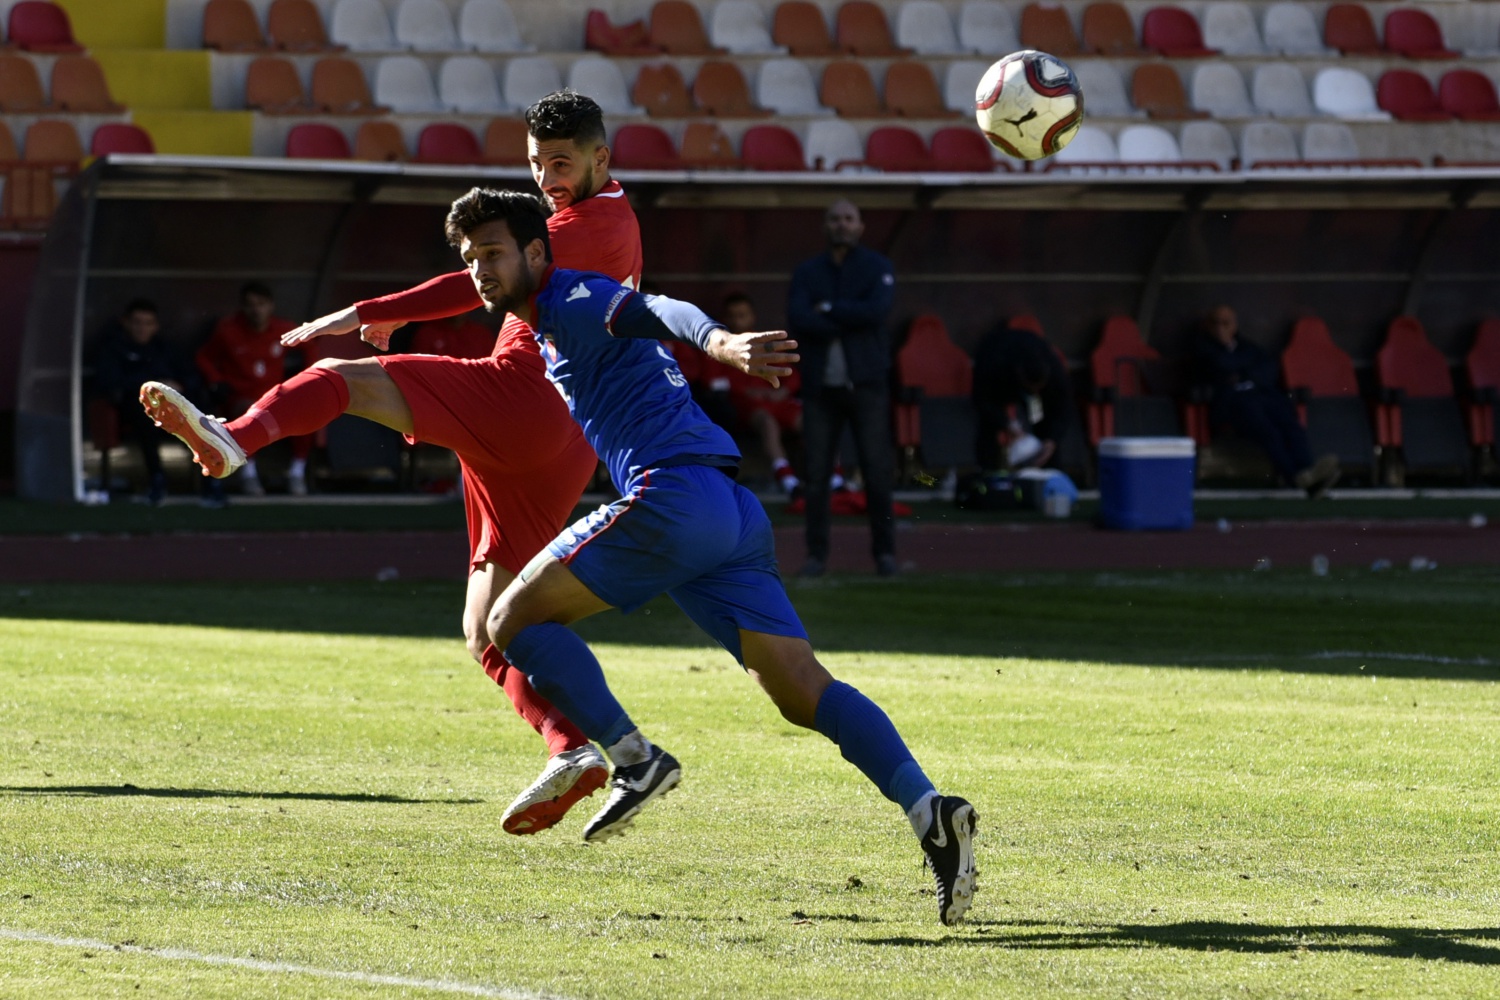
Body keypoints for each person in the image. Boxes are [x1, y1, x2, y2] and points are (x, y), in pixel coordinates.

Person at [448, 188, 977, 926]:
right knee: (800, 688)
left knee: (508, 622)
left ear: (538, 252)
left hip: (672, 500)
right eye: (469, 256)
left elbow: (658, 309)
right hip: (729, 510)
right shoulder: (541, 315)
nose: (479, 269)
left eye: (492, 252)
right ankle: (930, 809)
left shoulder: (572, 296)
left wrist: (723, 344)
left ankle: (632, 758)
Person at [140, 90, 638, 837]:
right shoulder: (600, 219)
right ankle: (571, 750)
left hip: (523, 400)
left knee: (345, 376)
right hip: (565, 439)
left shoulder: (585, 224)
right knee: (490, 625)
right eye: (536, 164)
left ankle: (234, 438)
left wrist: (374, 309)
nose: (547, 178)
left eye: (562, 162)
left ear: (603, 157)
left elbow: (476, 279)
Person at [786, 199, 898, 578]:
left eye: (849, 219)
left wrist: (828, 310)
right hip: (820, 387)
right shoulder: (808, 271)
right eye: (835, 219)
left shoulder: (877, 266)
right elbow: (799, 318)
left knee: (876, 472)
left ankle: (885, 555)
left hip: (867, 384)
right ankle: (816, 556)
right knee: (816, 476)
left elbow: (877, 312)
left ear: (861, 226)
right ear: (825, 226)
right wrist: (849, 315)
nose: (842, 225)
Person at [1193, 305, 1339, 497]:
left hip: (1261, 395)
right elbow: (1220, 365)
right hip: (1232, 403)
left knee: (1290, 424)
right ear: (1209, 327)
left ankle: (1307, 470)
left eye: (1226, 323)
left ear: (1235, 326)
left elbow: (1269, 369)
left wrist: (1240, 372)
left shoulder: (1247, 347)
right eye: (1216, 323)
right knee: (1268, 431)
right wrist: (1246, 370)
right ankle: (1296, 476)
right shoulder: (1203, 347)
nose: (1221, 327)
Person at [196, 283, 310, 496]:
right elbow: (203, 357)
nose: (256, 310)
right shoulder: (228, 330)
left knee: (307, 411)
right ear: (242, 308)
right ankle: (248, 475)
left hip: (275, 396)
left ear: (271, 306)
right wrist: (216, 380)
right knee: (250, 415)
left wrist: (306, 378)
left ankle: (297, 472)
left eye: (261, 304)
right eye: (250, 305)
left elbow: (311, 345)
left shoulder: (283, 329)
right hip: (241, 397)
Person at [92, 299, 200, 505]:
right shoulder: (113, 349)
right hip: (134, 408)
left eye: (147, 323)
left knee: (199, 411)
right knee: (146, 415)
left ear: (156, 326)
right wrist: (149, 386)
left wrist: (179, 387)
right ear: (126, 323)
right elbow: (109, 382)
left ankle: (211, 479)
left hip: (173, 408)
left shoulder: (166, 348)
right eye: (137, 322)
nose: (142, 328)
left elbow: (190, 376)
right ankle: (157, 477)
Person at [696, 293, 803, 496]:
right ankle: (787, 479)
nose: (737, 320)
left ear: (752, 316)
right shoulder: (718, 346)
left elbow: (791, 375)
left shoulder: (764, 342)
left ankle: (835, 477)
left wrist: (783, 392)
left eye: (742, 315)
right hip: (746, 406)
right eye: (732, 315)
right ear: (725, 318)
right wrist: (745, 391)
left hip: (778, 402)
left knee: (812, 420)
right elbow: (711, 381)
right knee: (767, 422)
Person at [972, 324, 1074, 472]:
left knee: (1042, 421)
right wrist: (1006, 423)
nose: (1033, 390)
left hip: (1037, 394)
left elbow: (1063, 407)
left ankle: (1049, 473)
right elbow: (982, 400)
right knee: (989, 428)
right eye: (1030, 387)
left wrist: (1052, 439)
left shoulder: (1055, 372)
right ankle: (989, 474)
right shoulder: (993, 364)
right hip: (998, 378)